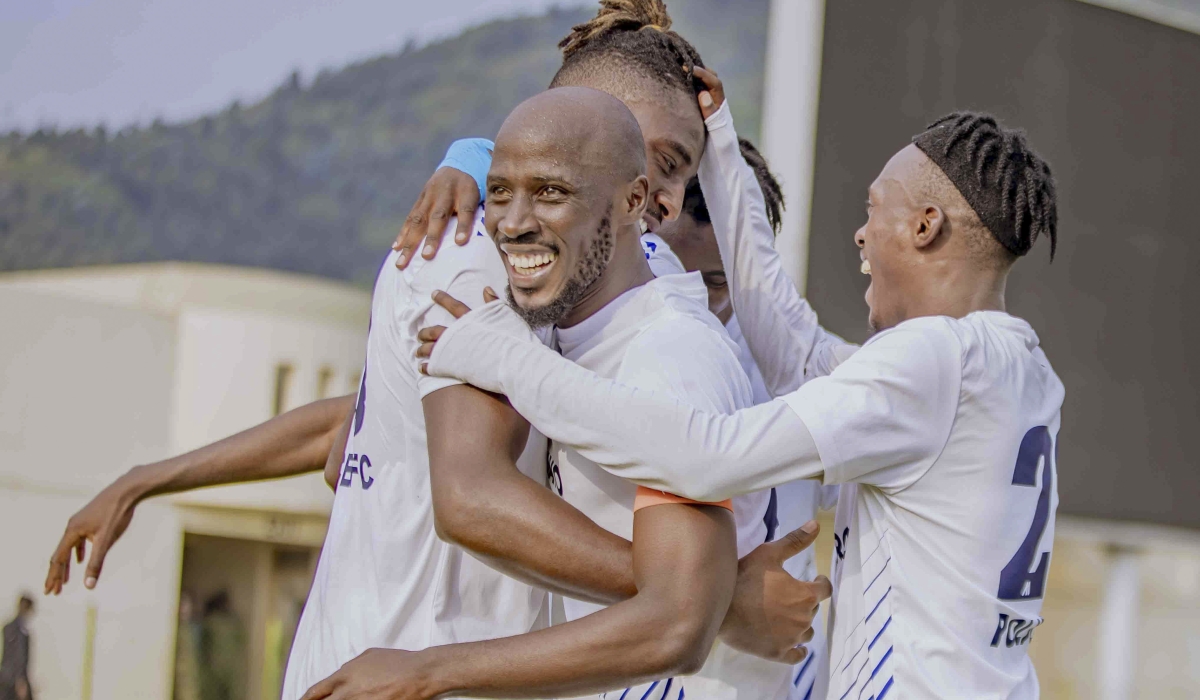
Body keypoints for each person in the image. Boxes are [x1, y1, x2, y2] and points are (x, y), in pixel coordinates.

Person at [48, 2, 829, 698]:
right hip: (397, 664)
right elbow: (470, 495)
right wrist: (709, 598)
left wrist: (150, 478)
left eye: (678, 169)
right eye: (648, 157)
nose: (657, 192)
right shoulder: (473, 250)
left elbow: (355, 427)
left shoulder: (607, 280)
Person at [418, 78, 1064, 698]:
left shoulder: (932, 356)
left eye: (874, 209)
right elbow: (795, 344)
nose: (861, 233)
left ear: (924, 227)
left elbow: (707, 457)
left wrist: (501, 358)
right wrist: (720, 142)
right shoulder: (1021, 369)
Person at [307, 82, 806, 700]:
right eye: (501, 193)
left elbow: (676, 624)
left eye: (551, 193)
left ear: (633, 199)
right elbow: (353, 454)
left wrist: (425, 670)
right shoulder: (523, 307)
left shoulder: (669, 351)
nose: (512, 223)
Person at [0, 595, 34, 700]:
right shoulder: (20, 631)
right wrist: (20, 680)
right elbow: (19, 655)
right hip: (13, 681)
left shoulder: (8, 627)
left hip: (5, 677)